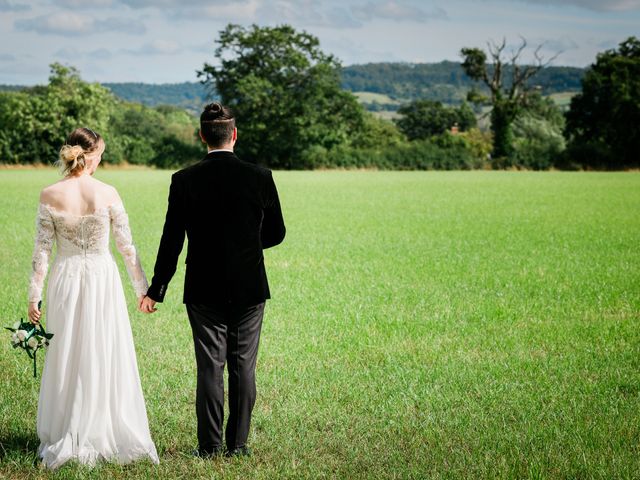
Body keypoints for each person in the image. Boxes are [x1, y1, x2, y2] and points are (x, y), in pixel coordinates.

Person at [139, 102, 286, 458]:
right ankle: (238, 445)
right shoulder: (260, 176)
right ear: (234, 134)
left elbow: (172, 239)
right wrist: (248, 245)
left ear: (201, 136)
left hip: (202, 287)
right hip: (250, 285)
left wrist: (156, 289)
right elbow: (277, 232)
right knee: (243, 366)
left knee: (209, 367)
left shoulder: (184, 179)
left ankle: (208, 447)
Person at [28, 127, 159, 469]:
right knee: (103, 348)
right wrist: (143, 290)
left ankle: (67, 425)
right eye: (101, 152)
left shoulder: (49, 193)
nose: (102, 158)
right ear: (92, 154)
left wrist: (34, 296)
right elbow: (126, 248)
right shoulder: (108, 192)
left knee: (68, 351)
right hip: (102, 278)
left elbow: (41, 252)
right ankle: (103, 423)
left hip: (66, 278)